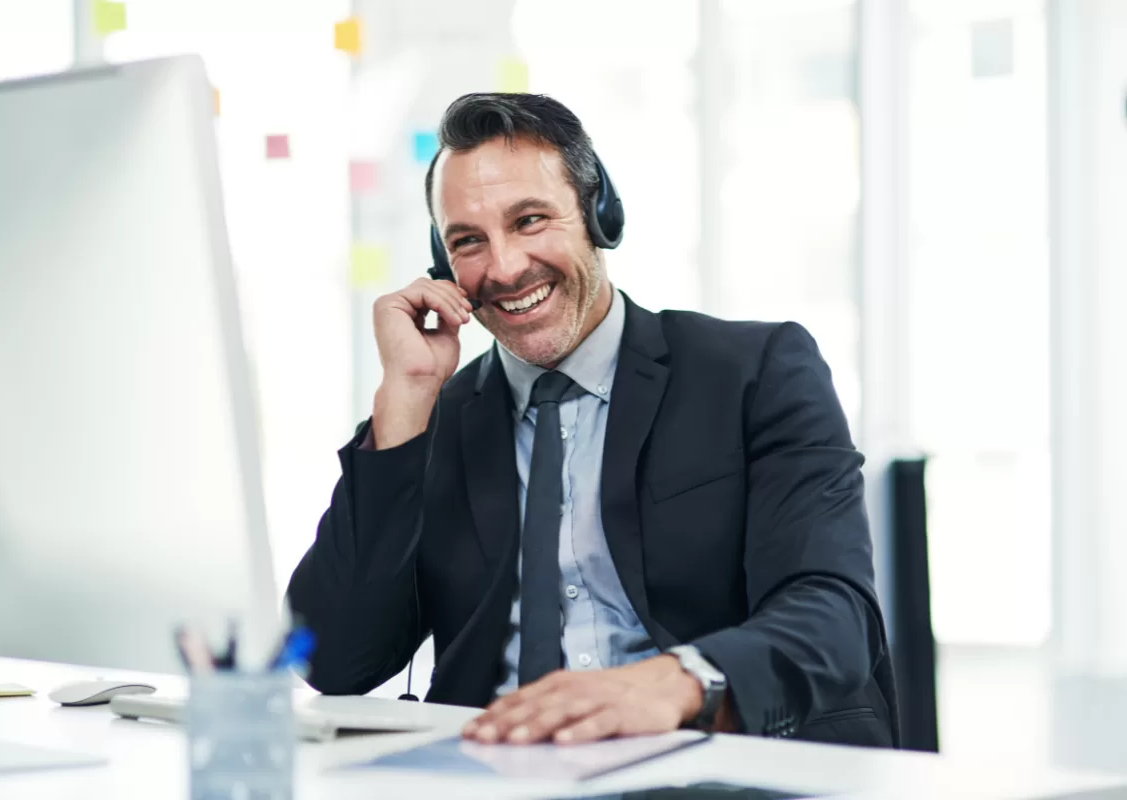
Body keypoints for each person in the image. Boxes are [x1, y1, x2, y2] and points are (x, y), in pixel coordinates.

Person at [287, 92, 899, 748]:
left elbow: (834, 614)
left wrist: (676, 682)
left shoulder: (754, 372)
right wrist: (403, 404)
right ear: (443, 263)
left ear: (596, 214)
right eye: (469, 241)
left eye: (529, 220)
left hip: (716, 759)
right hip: (501, 776)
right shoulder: (436, 420)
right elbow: (336, 661)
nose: (505, 267)